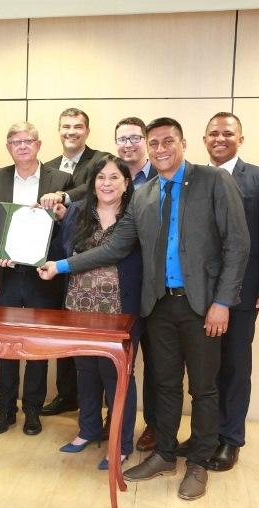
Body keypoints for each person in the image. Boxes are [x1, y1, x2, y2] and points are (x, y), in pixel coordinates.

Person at [50, 117, 249, 500]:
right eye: (153, 143)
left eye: (167, 141)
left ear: (184, 143)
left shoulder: (213, 182)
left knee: (205, 389)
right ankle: (165, 454)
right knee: (165, 384)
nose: (160, 149)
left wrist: (222, 302)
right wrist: (59, 266)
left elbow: (236, 245)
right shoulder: (142, 194)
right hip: (157, 306)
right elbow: (115, 246)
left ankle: (199, 463)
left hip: (202, 305)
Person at [176, 112, 259, 471]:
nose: (219, 139)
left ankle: (230, 439)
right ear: (204, 140)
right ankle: (204, 434)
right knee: (204, 370)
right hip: (199, 292)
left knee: (235, 366)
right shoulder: (190, 179)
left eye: (227, 133)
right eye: (213, 134)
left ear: (241, 138)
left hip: (242, 293)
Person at [39, 155, 142, 469]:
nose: (106, 183)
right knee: (85, 372)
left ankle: (121, 443)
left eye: (114, 177)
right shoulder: (78, 211)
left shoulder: (136, 213)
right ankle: (88, 430)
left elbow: (114, 251)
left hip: (120, 309)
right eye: (100, 178)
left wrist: (60, 266)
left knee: (117, 374)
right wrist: (19, 256)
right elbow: (59, 249)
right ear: (92, 183)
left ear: (127, 183)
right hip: (78, 306)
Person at [0, 121, 73, 437]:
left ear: (38, 144)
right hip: (5, 276)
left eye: (28, 141)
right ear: (8, 147)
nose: (22, 146)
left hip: (42, 277)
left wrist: (53, 260)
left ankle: (32, 411)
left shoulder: (60, 180)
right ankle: (5, 409)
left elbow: (67, 231)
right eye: (15, 141)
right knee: (5, 346)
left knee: (36, 346)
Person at [41, 108, 109, 417]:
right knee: (63, 332)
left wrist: (62, 197)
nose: (72, 131)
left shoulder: (100, 160)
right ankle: (67, 395)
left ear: (87, 130)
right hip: (58, 259)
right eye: (66, 126)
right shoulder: (49, 167)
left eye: (78, 126)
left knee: (94, 340)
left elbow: (91, 187)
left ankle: (96, 406)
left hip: (96, 263)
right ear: (59, 130)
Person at [114, 116, 159, 452]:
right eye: (121, 139)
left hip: (156, 285)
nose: (127, 144)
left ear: (144, 140)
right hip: (115, 285)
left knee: (157, 363)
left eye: (134, 138)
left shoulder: (163, 176)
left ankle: (154, 427)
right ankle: (113, 422)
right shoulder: (109, 175)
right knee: (118, 362)